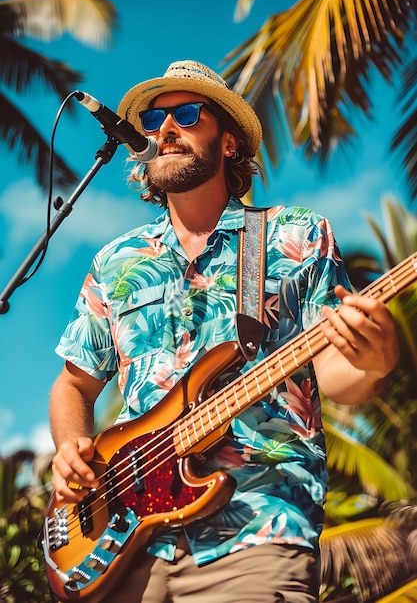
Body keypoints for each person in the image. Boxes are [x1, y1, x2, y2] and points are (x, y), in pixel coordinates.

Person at [48, 60, 399, 603]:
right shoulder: (116, 261)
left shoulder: (294, 233)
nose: (165, 129)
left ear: (230, 143)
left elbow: (333, 374)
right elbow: (74, 383)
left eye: (187, 114)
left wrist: (371, 360)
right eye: (152, 120)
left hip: (256, 530)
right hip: (124, 547)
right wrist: (72, 444)